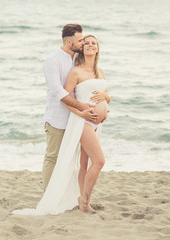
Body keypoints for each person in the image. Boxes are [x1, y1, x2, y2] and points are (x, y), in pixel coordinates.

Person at [13, 34, 110, 215]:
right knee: (99, 161)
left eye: (93, 43)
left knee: (84, 164)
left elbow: (107, 96)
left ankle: (83, 199)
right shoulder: (76, 72)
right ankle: (85, 200)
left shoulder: (100, 71)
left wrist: (106, 99)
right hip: (82, 122)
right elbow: (65, 99)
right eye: (86, 43)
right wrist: (81, 112)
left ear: (97, 49)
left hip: (98, 124)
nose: (90, 45)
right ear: (82, 49)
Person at [42, 24, 99, 191]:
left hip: (76, 118)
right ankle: (48, 194)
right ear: (69, 42)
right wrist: (81, 107)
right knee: (53, 157)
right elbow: (57, 90)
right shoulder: (52, 60)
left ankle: (65, 193)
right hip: (57, 118)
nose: (83, 43)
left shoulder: (77, 57)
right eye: (81, 40)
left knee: (72, 158)